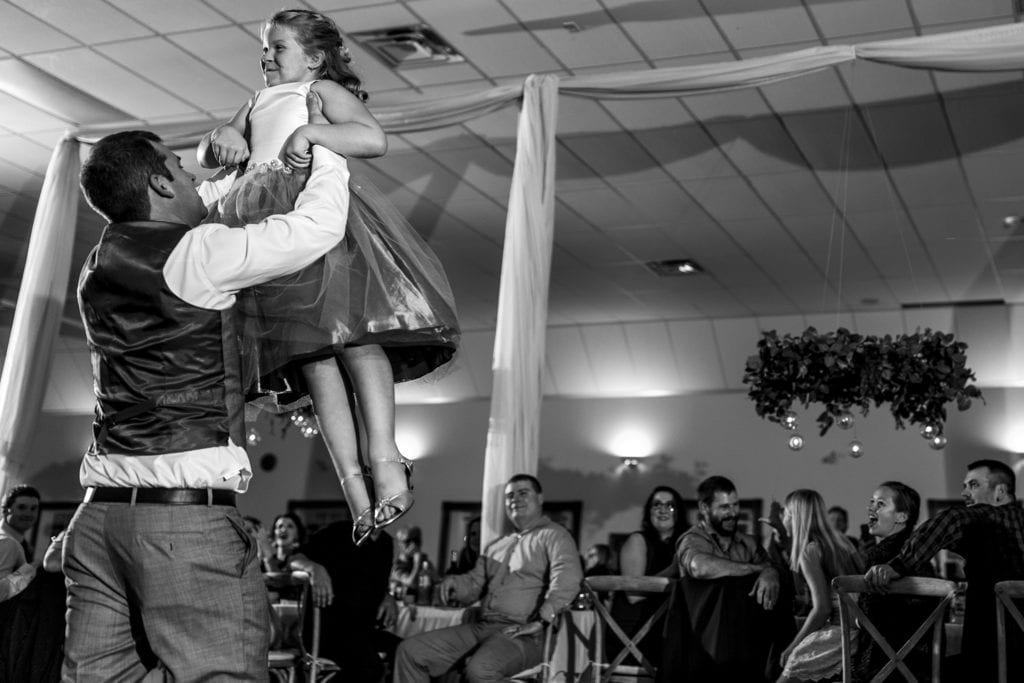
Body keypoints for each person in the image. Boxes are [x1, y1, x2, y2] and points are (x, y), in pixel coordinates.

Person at [67, 121, 350, 680]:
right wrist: (328, 155)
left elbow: (197, 201)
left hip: (98, 522)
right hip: (181, 530)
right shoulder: (200, 252)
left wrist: (256, 168)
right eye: (179, 168)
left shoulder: (96, 263)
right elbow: (316, 228)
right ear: (159, 185)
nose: (193, 176)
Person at [197, 8, 459, 546]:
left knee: (353, 337)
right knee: (311, 357)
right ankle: (356, 491)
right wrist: (222, 135)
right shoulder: (254, 100)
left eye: (278, 47)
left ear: (314, 57)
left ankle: (386, 458)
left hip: (317, 223)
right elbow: (210, 157)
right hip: (265, 228)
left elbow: (372, 138)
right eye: (264, 48)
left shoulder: (321, 90)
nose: (266, 56)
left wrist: (313, 130)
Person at [393, 474, 583, 682]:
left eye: (523, 493)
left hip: (525, 633)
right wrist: (453, 583)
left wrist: (542, 619)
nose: (515, 500)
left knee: (480, 671)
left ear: (540, 498)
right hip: (484, 627)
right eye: (510, 496)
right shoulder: (496, 546)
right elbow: (473, 585)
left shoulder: (555, 535)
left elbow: (568, 577)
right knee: (410, 652)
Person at [866, 460, 1024, 682]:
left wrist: (897, 566)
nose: (964, 492)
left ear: (1000, 491)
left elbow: (952, 519)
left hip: (990, 656)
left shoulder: (989, 517)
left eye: (973, 485)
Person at [666, 475, 791, 682]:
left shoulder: (748, 543)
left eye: (735, 505)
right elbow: (700, 567)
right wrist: (756, 569)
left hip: (745, 641)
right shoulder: (693, 539)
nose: (732, 513)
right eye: (724, 507)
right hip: (700, 641)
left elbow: (771, 567)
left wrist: (770, 572)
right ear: (704, 508)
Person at [776, 489, 862, 683]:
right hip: (865, 632)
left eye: (786, 515)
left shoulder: (810, 550)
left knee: (793, 664)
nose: (784, 521)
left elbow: (822, 608)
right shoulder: (843, 542)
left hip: (842, 633)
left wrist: (792, 647)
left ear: (796, 518)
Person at [853, 481, 934, 682]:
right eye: (871, 502)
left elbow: (866, 616)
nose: (871, 507)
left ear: (901, 516)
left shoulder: (880, 555)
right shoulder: (919, 556)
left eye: (880, 504)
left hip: (879, 664)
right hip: (919, 666)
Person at [303, 521, 400, 682]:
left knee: (406, 651)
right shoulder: (338, 531)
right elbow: (293, 557)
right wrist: (313, 568)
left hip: (362, 631)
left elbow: (370, 580)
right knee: (369, 665)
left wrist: (386, 595)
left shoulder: (386, 543)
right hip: (329, 631)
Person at [608, 486, 684, 666]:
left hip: (669, 628)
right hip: (635, 633)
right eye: (656, 505)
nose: (663, 510)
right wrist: (674, 569)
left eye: (670, 505)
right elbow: (633, 596)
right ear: (648, 511)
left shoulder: (684, 543)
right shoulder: (638, 540)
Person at [0, 485, 40, 602]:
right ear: (7, 509)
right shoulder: (7, 543)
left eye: (33, 509)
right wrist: (31, 570)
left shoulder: (23, 544)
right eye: (22, 507)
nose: (28, 514)